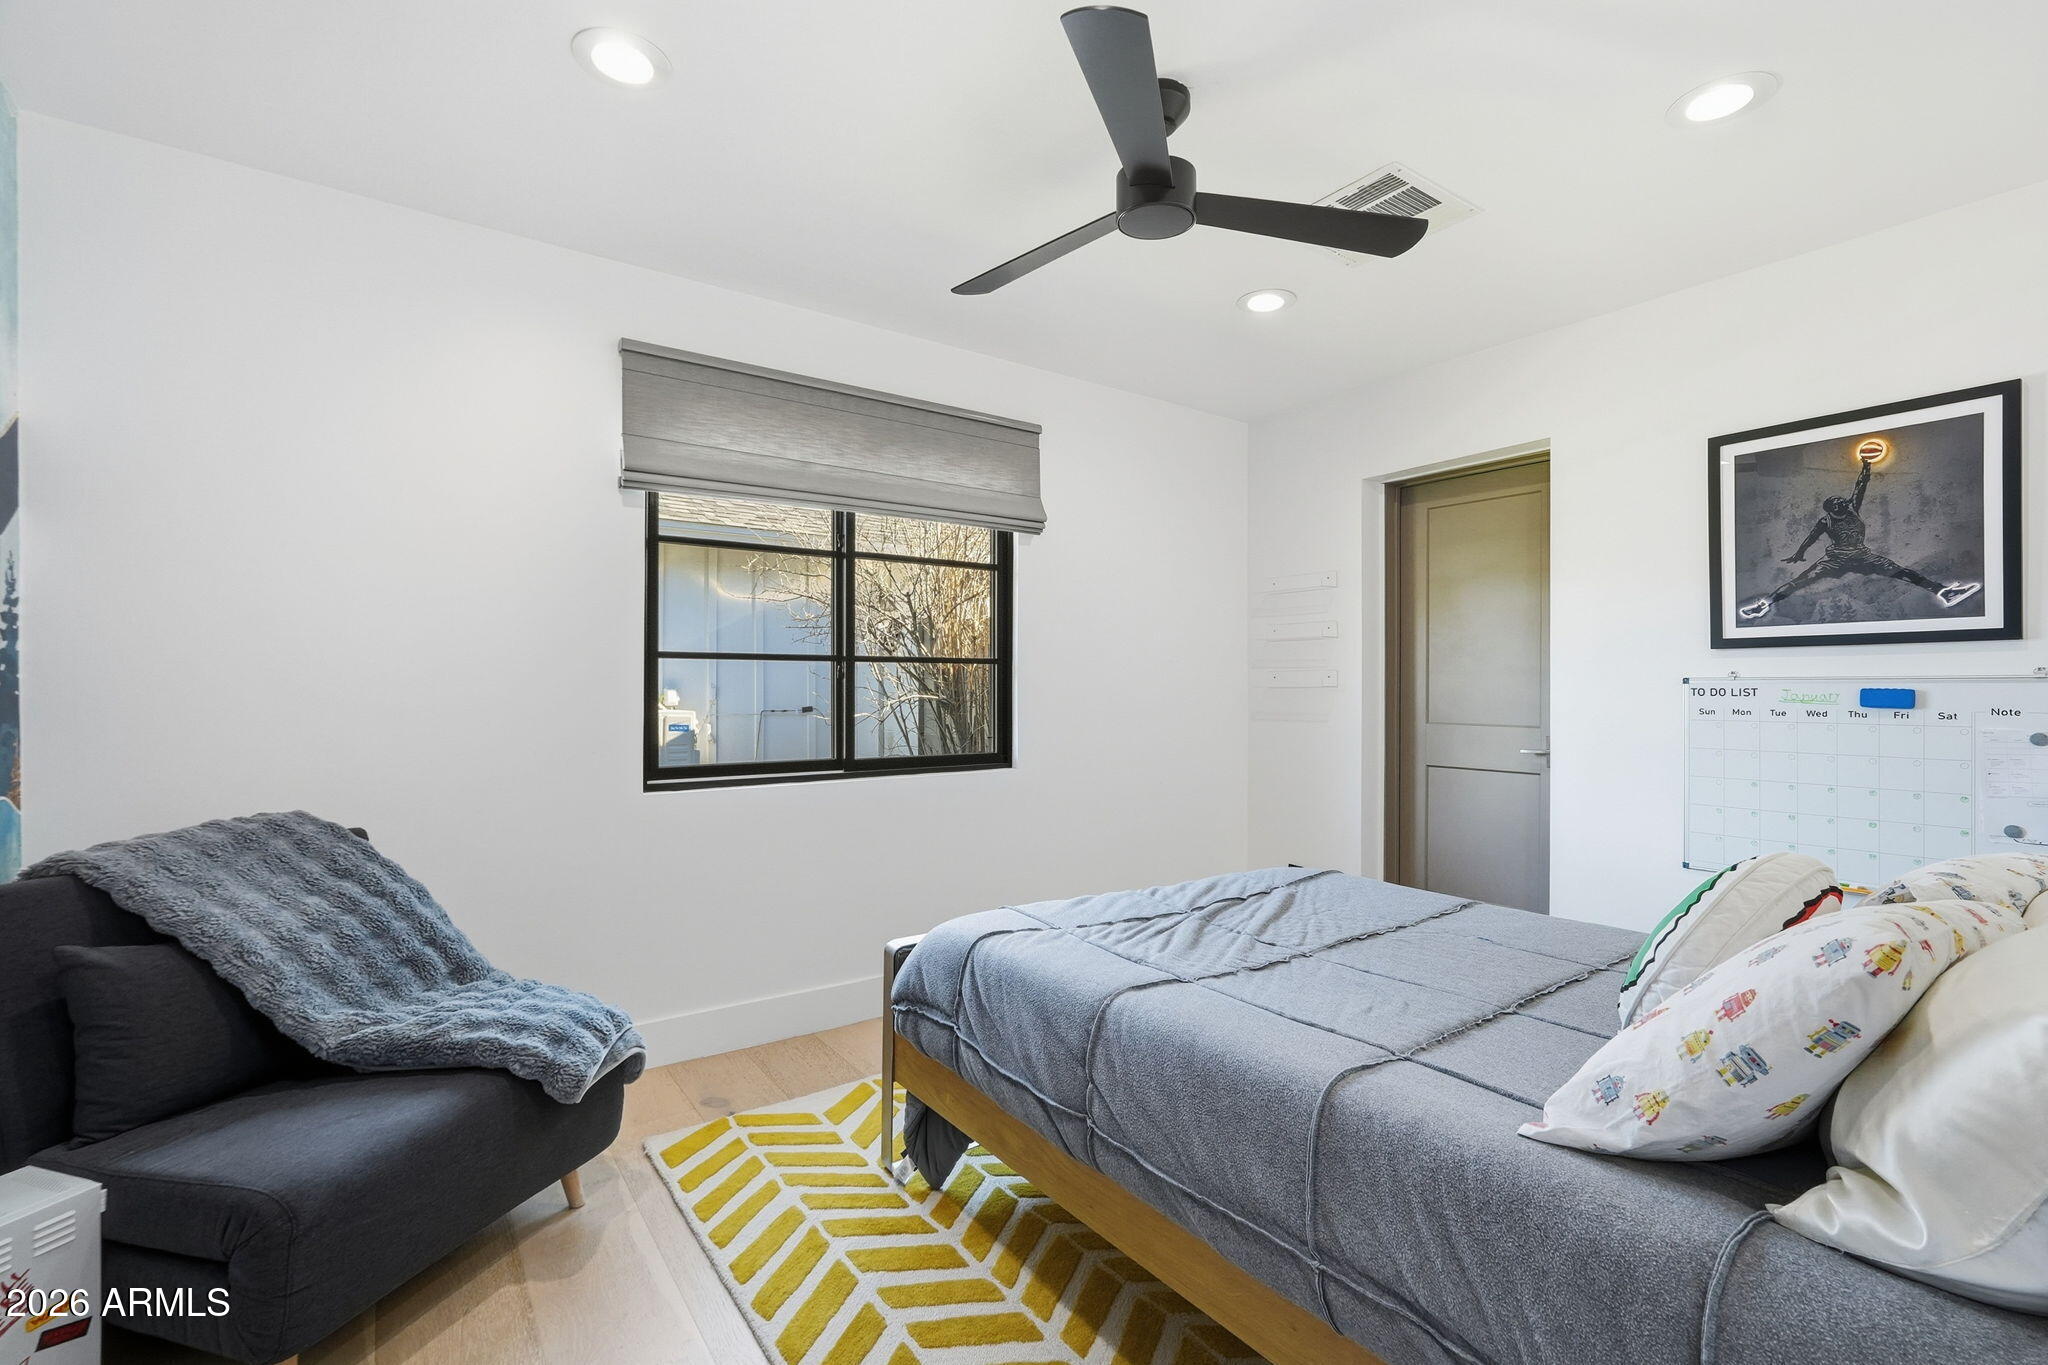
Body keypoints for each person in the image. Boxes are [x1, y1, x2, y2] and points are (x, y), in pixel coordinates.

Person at [1738, 446, 1980, 620]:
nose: (1844, 503)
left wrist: (1866, 464)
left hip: (1862, 554)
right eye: (1839, 503)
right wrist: (1799, 553)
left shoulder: (1852, 508)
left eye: (1843, 502)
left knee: (1903, 572)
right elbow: (1811, 537)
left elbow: (1860, 485)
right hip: (1837, 558)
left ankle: (1943, 592)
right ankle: (1764, 605)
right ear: (1833, 509)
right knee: (1799, 582)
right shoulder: (1827, 521)